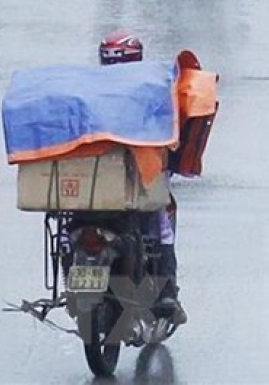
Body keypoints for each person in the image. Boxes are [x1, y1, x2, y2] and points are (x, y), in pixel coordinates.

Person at [98, 30, 187, 325]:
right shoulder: (152, 91)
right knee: (159, 224)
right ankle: (166, 293)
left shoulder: (90, 91)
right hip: (138, 182)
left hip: (95, 180)